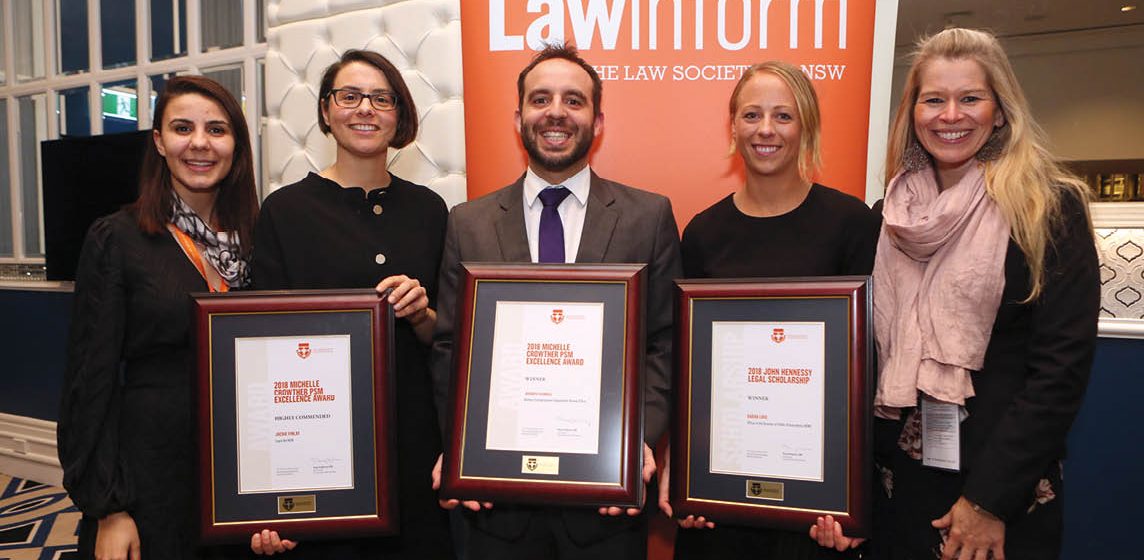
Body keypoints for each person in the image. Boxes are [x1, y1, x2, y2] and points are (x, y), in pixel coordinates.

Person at [821, 28, 1099, 559]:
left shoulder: (1048, 208)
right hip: (895, 486)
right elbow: (862, 363)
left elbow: (1061, 370)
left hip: (1001, 494)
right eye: (934, 99)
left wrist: (989, 501)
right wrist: (842, 490)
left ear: (999, 110)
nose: (951, 115)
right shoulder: (889, 216)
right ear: (913, 111)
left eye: (970, 98)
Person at [428, 43, 682, 558]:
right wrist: (460, 447)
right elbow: (451, 348)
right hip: (496, 511)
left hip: (606, 507)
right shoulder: (468, 223)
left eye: (574, 100)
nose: (556, 113)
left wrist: (640, 441)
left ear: (598, 119)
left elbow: (665, 343)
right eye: (541, 99)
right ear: (519, 116)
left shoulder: (647, 216)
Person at [656, 61, 879, 559]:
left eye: (783, 116)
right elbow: (689, 362)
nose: (766, 130)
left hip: (816, 494)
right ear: (733, 124)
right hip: (720, 489)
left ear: (807, 126)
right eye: (752, 114)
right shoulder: (703, 232)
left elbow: (866, 365)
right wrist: (684, 462)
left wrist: (854, 492)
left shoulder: (850, 223)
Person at [249, 49, 453, 559]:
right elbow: (262, 355)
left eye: (382, 99)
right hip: (317, 443)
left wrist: (423, 314)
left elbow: (445, 340)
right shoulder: (285, 211)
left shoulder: (431, 211)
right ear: (325, 111)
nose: (366, 109)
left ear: (399, 115)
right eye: (350, 96)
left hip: (414, 440)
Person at [59, 75, 259, 559]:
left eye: (216, 129)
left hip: (245, 467)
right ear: (159, 141)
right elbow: (90, 384)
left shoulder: (259, 240)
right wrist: (109, 508)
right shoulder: (118, 239)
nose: (199, 143)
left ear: (236, 144)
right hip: (152, 474)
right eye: (182, 128)